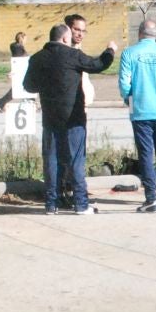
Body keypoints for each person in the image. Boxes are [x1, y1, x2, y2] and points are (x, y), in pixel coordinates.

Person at [22, 23, 116, 214]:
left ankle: (51, 204)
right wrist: (110, 50)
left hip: (50, 116)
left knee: (51, 160)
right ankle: (80, 203)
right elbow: (98, 65)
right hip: (73, 117)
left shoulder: (37, 58)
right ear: (65, 38)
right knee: (75, 159)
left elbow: (29, 86)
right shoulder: (72, 55)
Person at [116, 20, 156, 213]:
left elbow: (124, 83)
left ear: (139, 33)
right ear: (155, 34)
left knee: (145, 154)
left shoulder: (129, 53)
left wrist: (130, 100)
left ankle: (150, 197)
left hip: (141, 112)